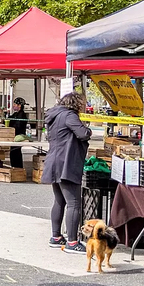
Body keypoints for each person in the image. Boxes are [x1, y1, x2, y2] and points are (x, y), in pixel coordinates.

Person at [41, 92, 91, 253]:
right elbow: (83, 134)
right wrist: (88, 129)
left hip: (54, 160)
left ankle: (56, 237)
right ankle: (72, 242)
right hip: (66, 163)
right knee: (74, 203)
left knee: (59, 200)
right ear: (76, 104)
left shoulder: (55, 115)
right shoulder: (69, 115)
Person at [7, 98, 29, 169]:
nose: (13, 106)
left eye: (15, 104)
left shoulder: (22, 115)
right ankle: (15, 168)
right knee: (13, 153)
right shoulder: (16, 114)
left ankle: (18, 169)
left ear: (19, 105)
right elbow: (11, 118)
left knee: (16, 153)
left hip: (18, 136)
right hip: (14, 136)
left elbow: (18, 126)